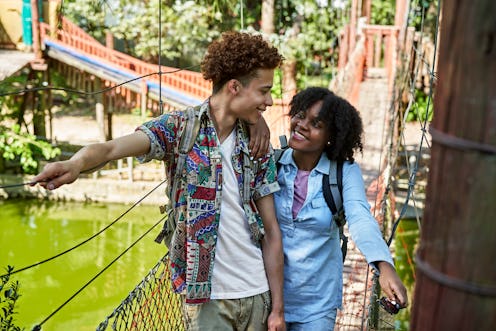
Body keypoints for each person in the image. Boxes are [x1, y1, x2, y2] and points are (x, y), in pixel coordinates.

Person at [32, 31, 286, 331]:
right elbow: (112, 148)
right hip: (206, 301)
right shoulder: (180, 129)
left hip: (257, 294)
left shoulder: (256, 145)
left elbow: (271, 231)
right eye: (264, 91)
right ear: (234, 87)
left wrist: (277, 310)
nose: (269, 101)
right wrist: (75, 164)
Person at [273, 87, 408, 330]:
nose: (302, 125)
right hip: (268, 299)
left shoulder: (343, 172)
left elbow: (360, 218)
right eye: (300, 115)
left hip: (317, 304)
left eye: (316, 123)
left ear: (330, 135)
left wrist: (383, 266)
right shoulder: (272, 164)